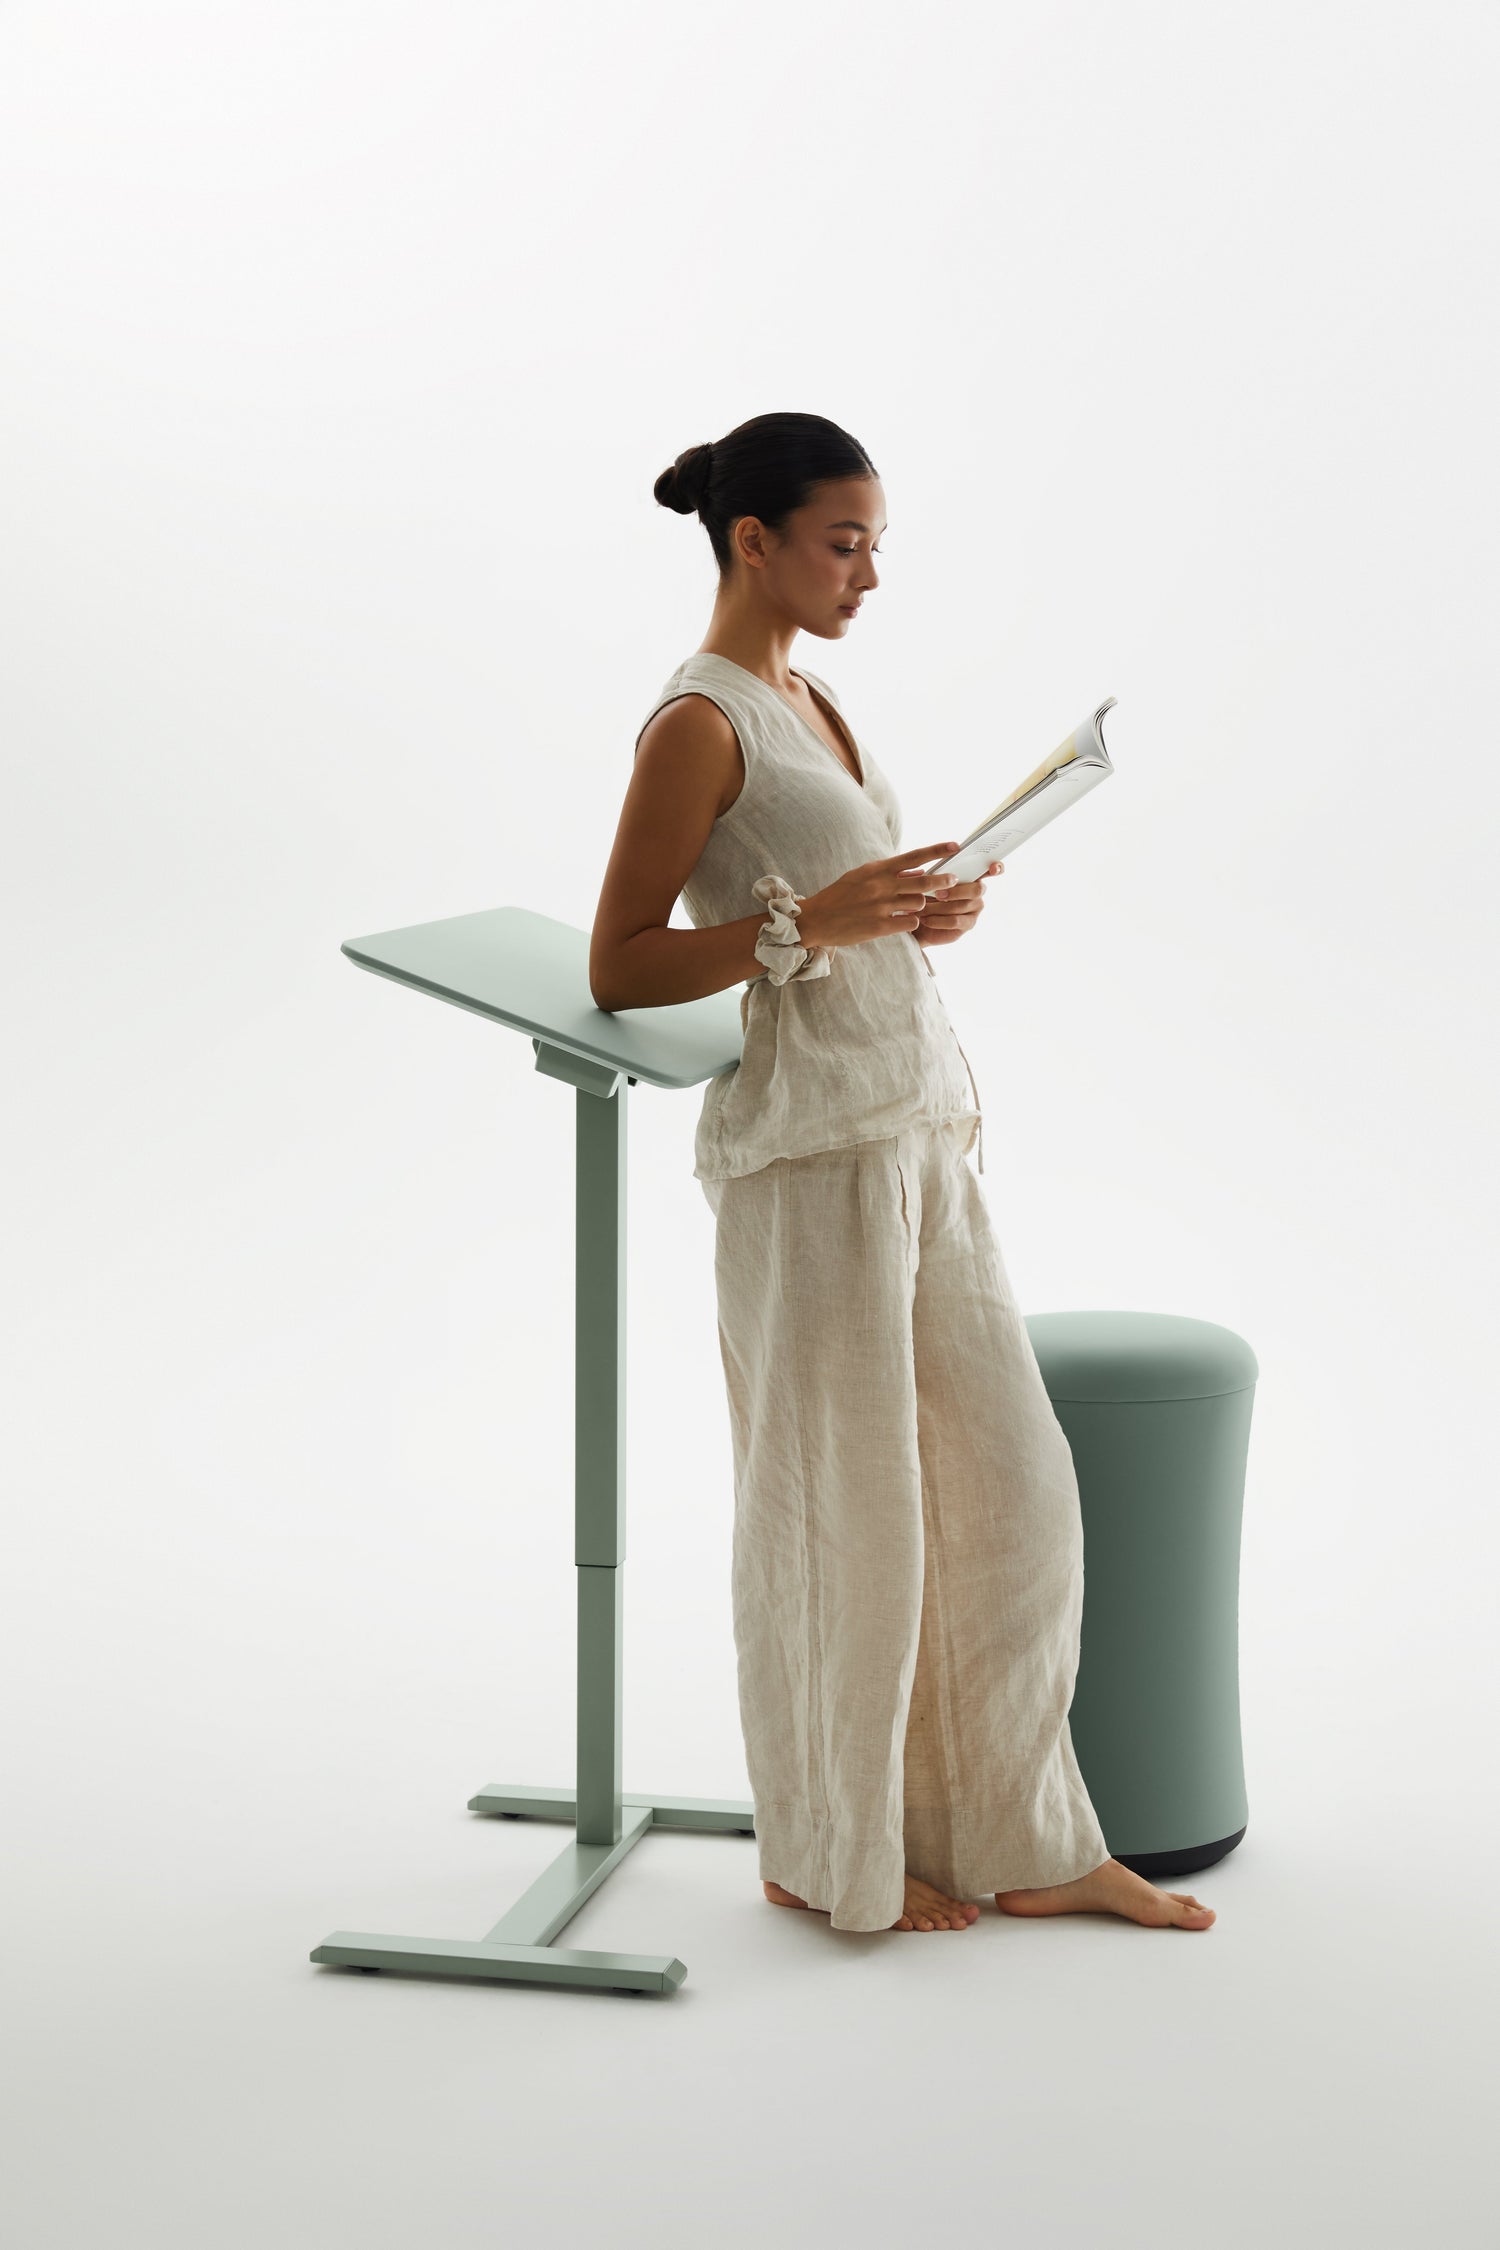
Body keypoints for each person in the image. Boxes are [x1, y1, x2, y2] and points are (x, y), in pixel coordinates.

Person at [590, 411, 1215, 1938]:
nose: (869, 572)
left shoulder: (818, 699)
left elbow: (835, 907)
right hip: (807, 1165)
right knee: (838, 1515)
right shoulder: (702, 720)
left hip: (916, 1130)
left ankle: (1022, 1835)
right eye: (844, 541)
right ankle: (829, 1852)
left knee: (1014, 1492)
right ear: (755, 541)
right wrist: (816, 928)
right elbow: (619, 961)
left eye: (877, 544)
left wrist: (911, 910)